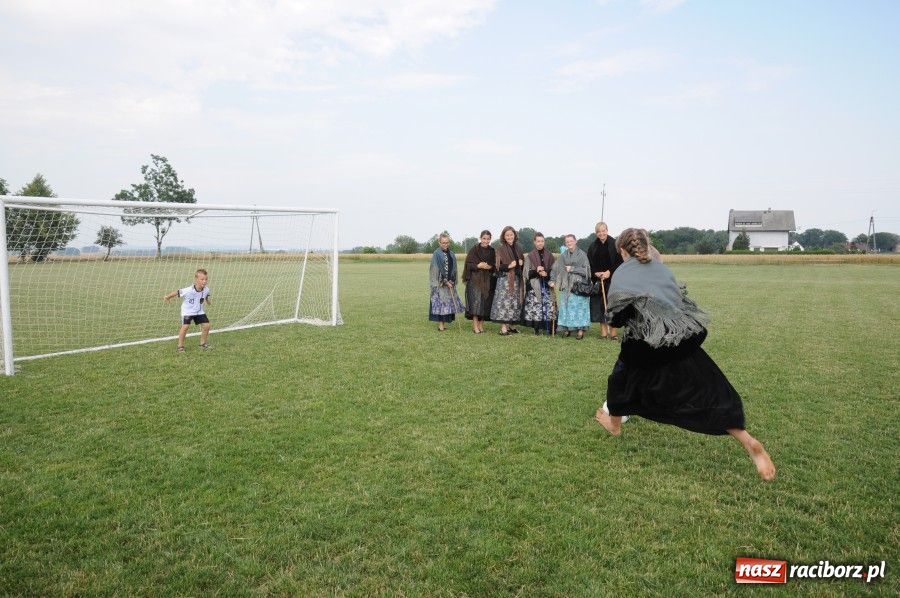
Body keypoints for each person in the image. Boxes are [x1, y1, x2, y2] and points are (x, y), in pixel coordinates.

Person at [594, 228, 776, 481]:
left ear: (623, 251)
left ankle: (614, 426)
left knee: (619, 383)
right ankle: (748, 442)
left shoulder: (623, 271)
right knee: (711, 390)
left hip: (643, 347)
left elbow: (618, 318)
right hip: (679, 340)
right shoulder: (661, 268)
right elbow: (676, 302)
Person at [549, 234, 591, 339]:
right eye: (567, 242)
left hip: (578, 286)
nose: (569, 243)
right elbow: (555, 268)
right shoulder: (563, 255)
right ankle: (567, 329)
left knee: (579, 307)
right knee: (566, 307)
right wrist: (552, 280)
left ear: (575, 241)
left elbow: (587, 271)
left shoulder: (582, 255)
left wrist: (572, 268)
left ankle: (580, 331)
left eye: (571, 241)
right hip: (565, 285)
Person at [587, 221, 624, 340]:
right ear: (596, 233)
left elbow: (620, 262)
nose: (601, 233)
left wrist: (609, 272)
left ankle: (613, 333)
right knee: (600, 306)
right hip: (599, 280)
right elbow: (589, 264)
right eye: (599, 231)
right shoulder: (593, 246)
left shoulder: (616, 244)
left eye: (603, 231)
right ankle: (603, 333)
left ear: (607, 230)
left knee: (613, 306)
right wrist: (595, 273)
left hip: (613, 280)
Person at [163, 268, 212, 353]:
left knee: (207, 326)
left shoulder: (206, 289)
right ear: (196, 280)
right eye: (202, 279)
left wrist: (207, 301)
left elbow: (206, 295)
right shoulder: (189, 290)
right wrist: (167, 297)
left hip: (199, 311)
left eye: (206, 279)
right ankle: (180, 347)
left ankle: (202, 344)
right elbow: (177, 292)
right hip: (187, 311)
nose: (204, 281)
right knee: (185, 327)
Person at [490, 226, 524, 336]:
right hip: (505, 281)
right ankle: (503, 328)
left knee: (514, 304)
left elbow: (522, 262)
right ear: (504, 237)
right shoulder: (500, 249)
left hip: (517, 280)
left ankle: (512, 327)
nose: (509, 237)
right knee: (504, 304)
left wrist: (521, 263)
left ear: (514, 235)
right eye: (507, 235)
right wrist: (509, 265)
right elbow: (497, 266)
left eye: (511, 234)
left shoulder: (518, 248)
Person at [428, 233, 464, 331]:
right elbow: (435, 270)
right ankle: (440, 326)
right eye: (443, 243)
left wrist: (452, 281)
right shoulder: (436, 254)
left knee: (447, 305)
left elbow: (454, 269)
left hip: (450, 284)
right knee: (440, 305)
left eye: (447, 242)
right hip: (440, 285)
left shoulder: (451, 254)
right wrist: (444, 282)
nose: (445, 244)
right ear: (439, 242)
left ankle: (444, 325)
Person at [463, 230, 496, 334]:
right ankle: (475, 326)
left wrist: (489, 266)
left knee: (485, 303)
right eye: (484, 238)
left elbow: (494, 265)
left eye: (488, 239)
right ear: (480, 238)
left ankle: (481, 326)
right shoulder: (474, 249)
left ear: (490, 239)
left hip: (487, 280)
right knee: (476, 303)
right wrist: (479, 265)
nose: (486, 241)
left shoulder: (492, 250)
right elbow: (469, 265)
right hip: (475, 280)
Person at [522, 232, 556, 335]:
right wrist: (536, 270)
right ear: (534, 242)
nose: (540, 243)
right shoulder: (529, 256)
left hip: (546, 285)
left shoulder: (549, 255)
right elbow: (526, 273)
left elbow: (554, 270)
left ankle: (550, 328)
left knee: (548, 306)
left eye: (542, 241)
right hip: (534, 286)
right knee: (536, 307)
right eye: (538, 241)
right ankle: (536, 329)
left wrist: (547, 273)